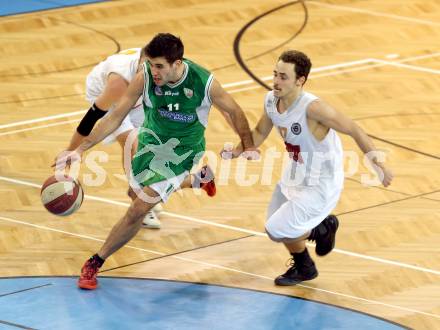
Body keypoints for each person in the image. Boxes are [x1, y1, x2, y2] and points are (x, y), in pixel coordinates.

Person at [56, 33, 258, 290]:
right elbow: (115, 116)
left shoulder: (203, 82)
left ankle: (95, 262)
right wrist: (80, 149)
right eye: (151, 64)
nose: (153, 71)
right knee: (134, 193)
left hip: (182, 151)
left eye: (159, 65)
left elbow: (234, 111)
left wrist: (248, 145)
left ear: (177, 63)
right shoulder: (145, 76)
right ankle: (199, 179)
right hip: (150, 143)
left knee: (139, 207)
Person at [224, 50, 393, 286]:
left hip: (321, 182)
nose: (275, 81)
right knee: (279, 224)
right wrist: (239, 149)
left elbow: (354, 129)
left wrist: (379, 165)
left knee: (277, 229)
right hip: (295, 173)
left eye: (283, 76)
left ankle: (322, 229)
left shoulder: (314, 109)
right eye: (275, 74)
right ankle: (305, 267)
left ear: (300, 80)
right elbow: (261, 131)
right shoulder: (272, 100)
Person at [57, 47, 163, 229]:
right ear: (140, 60)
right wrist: (72, 149)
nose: (150, 71)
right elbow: (92, 118)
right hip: (105, 92)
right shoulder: (119, 82)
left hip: (137, 96)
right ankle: (138, 201)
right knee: (131, 143)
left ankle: (141, 190)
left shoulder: (165, 71)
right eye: (146, 66)